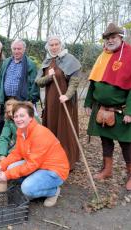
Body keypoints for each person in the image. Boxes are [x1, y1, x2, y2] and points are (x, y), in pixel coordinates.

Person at [84, 23, 131, 191]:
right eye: (107, 38)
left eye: (113, 37)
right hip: (101, 109)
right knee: (106, 141)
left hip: (121, 111)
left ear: (121, 37)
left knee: (126, 143)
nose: (110, 41)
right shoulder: (102, 56)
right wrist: (88, 102)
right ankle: (107, 170)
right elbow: (94, 81)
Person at [0, 101, 70, 207]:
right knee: (10, 167)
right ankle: (36, 185)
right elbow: (17, 153)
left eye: (22, 115)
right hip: (39, 165)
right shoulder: (21, 131)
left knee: (27, 188)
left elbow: (32, 165)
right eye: (16, 116)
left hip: (54, 170)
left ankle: (53, 191)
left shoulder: (39, 133)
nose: (19, 119)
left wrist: (6, 175)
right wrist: (1, 165)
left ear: (31, 117)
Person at [35, 35, 82, 170]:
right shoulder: (47, 61)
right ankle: (52, 159)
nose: (54, 47)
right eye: (52, 45)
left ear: (61, 45)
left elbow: (74, 82)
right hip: (51, 102)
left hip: (65, 102)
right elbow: (38, 81)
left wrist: (67, 96)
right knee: (51, 129)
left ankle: (67, 161)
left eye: (56, 44)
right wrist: (49, 77)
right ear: (48, 46)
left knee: (65, 130)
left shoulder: (70, 60)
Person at [0, 38, 40, 147]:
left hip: (21, 100)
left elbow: (34, 84)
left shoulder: (30, 65)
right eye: (14, 48)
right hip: (6, 99)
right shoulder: (6, 62)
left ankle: (18, 147)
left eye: (19, 48)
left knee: (18, 124)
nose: (16, 51)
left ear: (24, 49)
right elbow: (0, 79)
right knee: (3, 123)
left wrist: (30, 100)